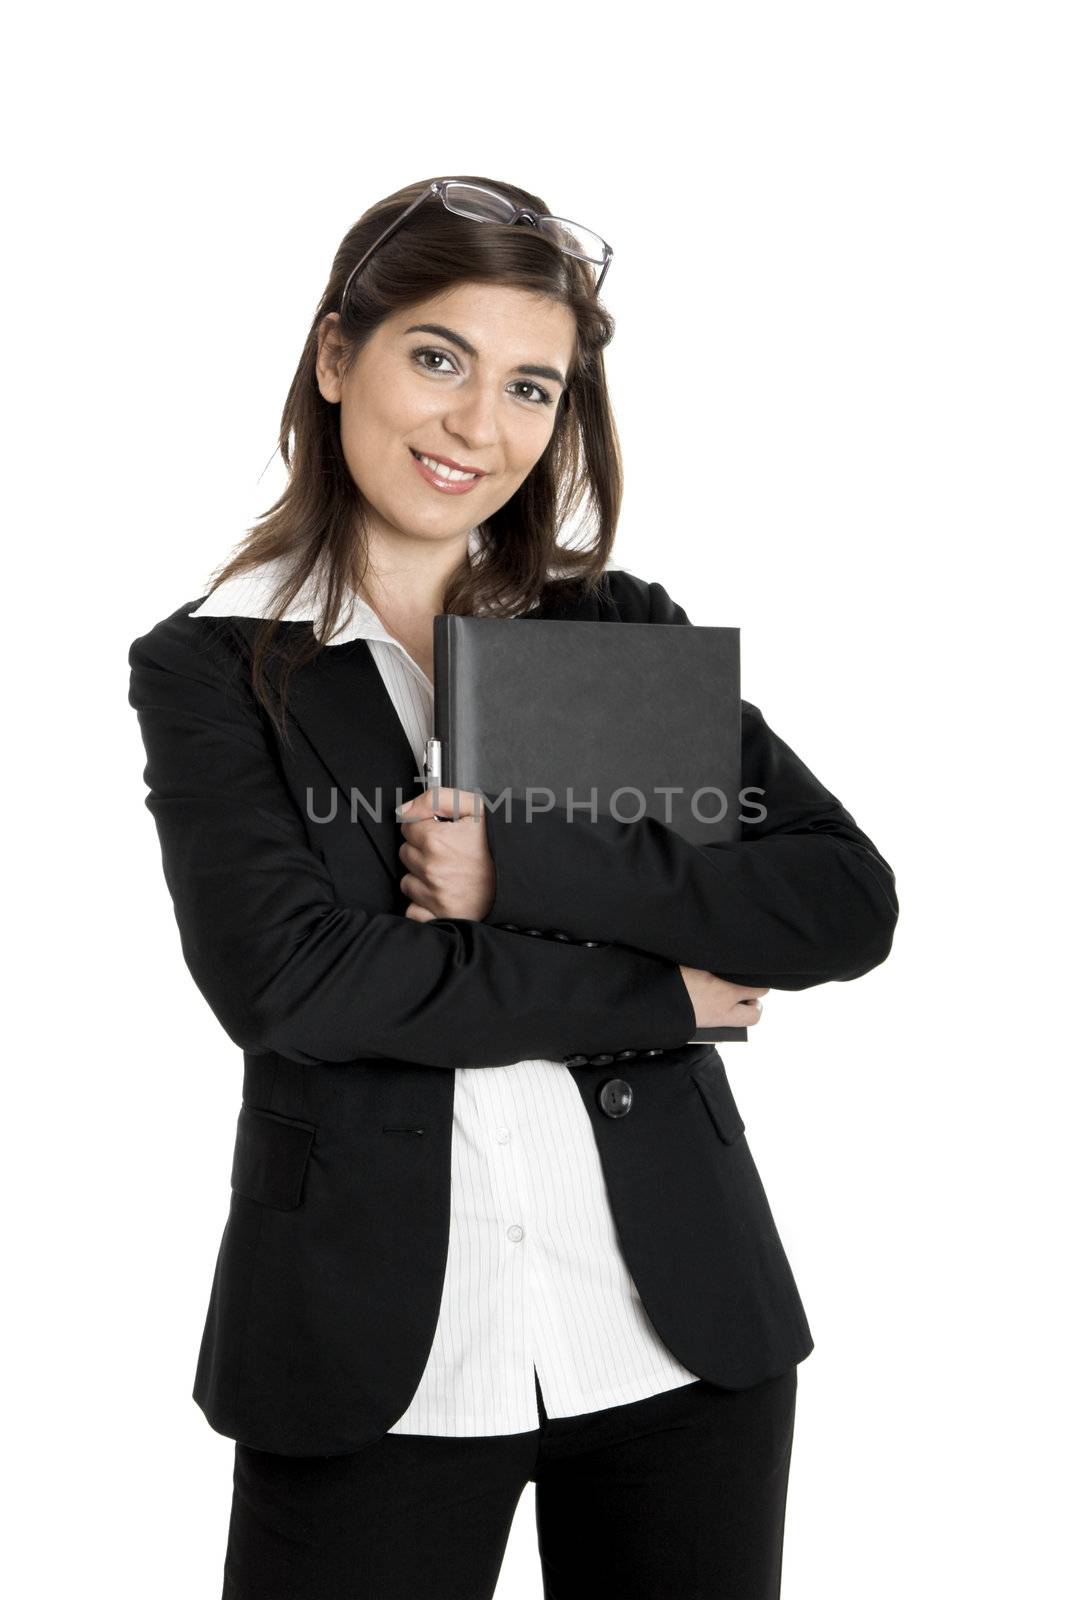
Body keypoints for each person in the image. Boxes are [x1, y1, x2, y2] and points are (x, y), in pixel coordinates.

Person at [128, 176, 898, 1600]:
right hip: (375, 1345)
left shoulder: (603, 631)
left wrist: (523, 865)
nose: (480, 428)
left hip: (677, 1325)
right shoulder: (217, 665)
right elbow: (290, 983)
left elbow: (838, 902)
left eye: (531, 386)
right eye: (438, 357)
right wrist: (658, 987)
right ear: (335, 353)